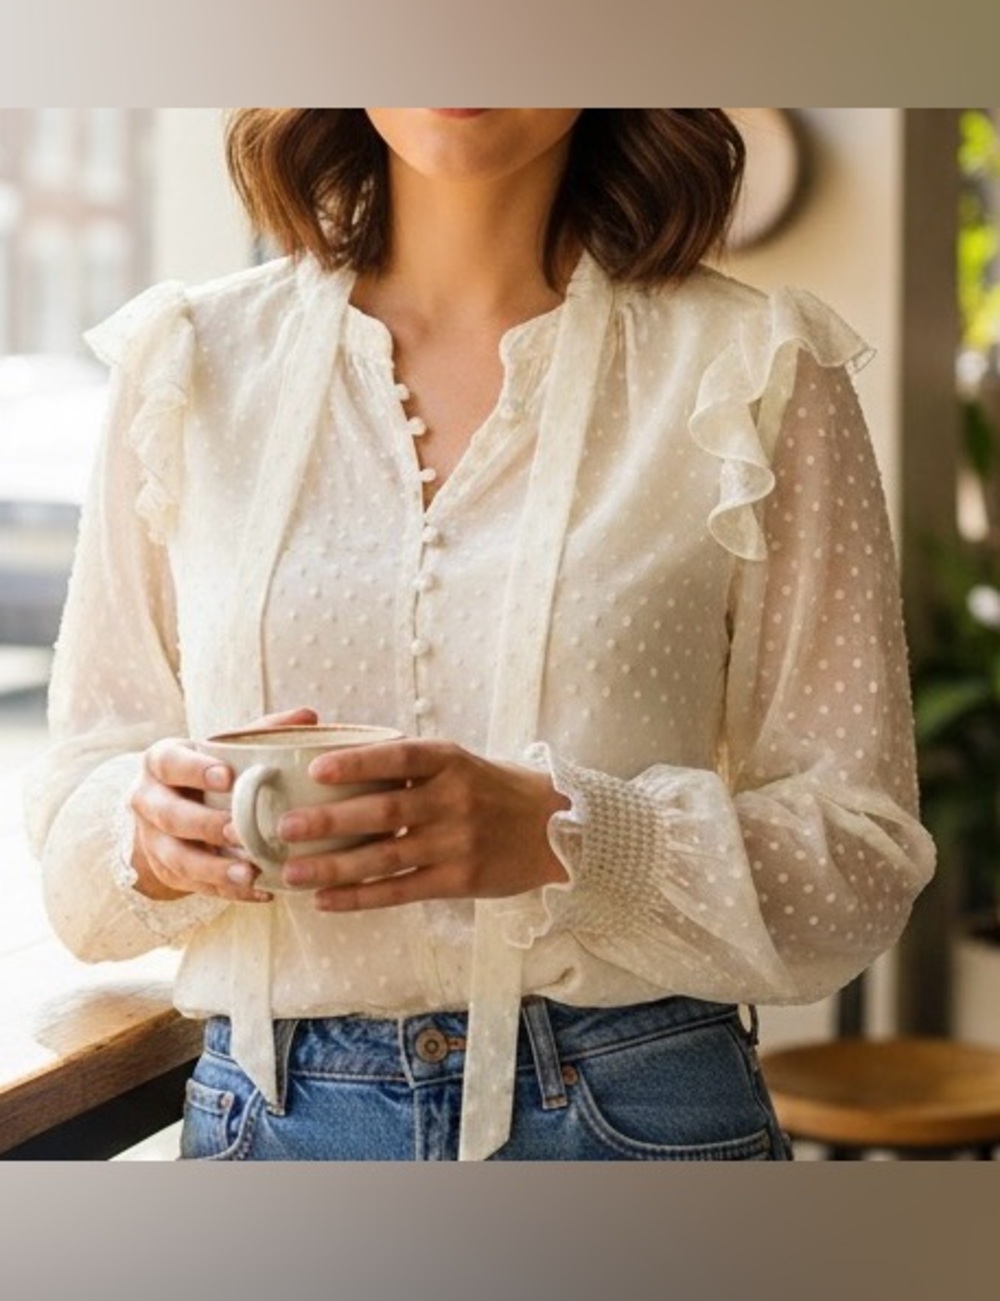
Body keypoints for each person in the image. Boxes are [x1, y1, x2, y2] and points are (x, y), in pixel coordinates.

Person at [24, 108, 936, 1161]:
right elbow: (81, 817)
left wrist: (572, 836)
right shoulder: (187, 360)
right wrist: (148, 832)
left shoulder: (758, 368)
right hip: (267, 1128)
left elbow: (859, 855)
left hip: (638, 1122)